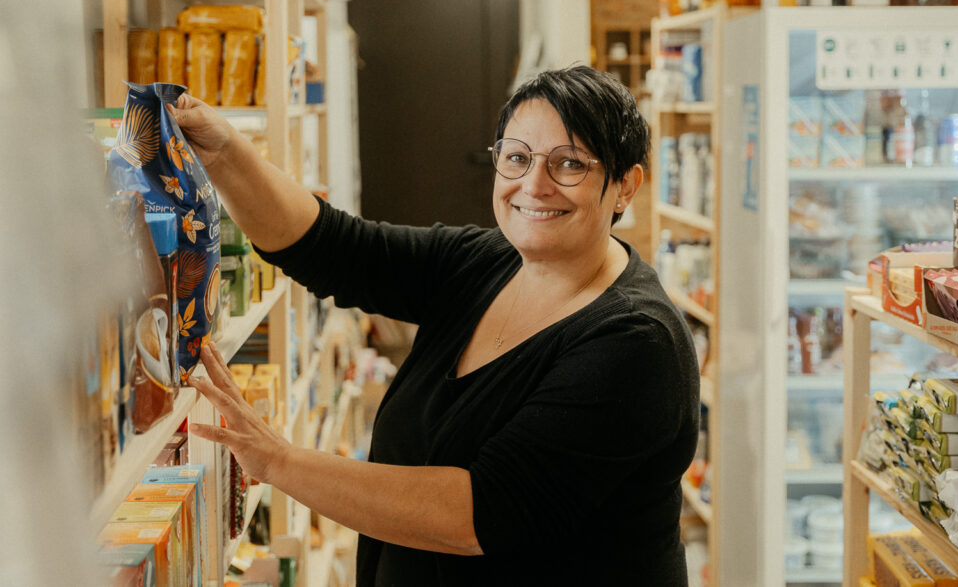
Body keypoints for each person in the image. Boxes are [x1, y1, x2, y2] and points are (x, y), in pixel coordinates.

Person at [172, 65, 700, 586]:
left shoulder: (636, 342)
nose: (534, 185)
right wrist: (222, 153)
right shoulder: (488, 260)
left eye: (570, 165)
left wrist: (279, 461)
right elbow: (332, 248)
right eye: (517, 158)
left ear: (626, 186)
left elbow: (478, 513)